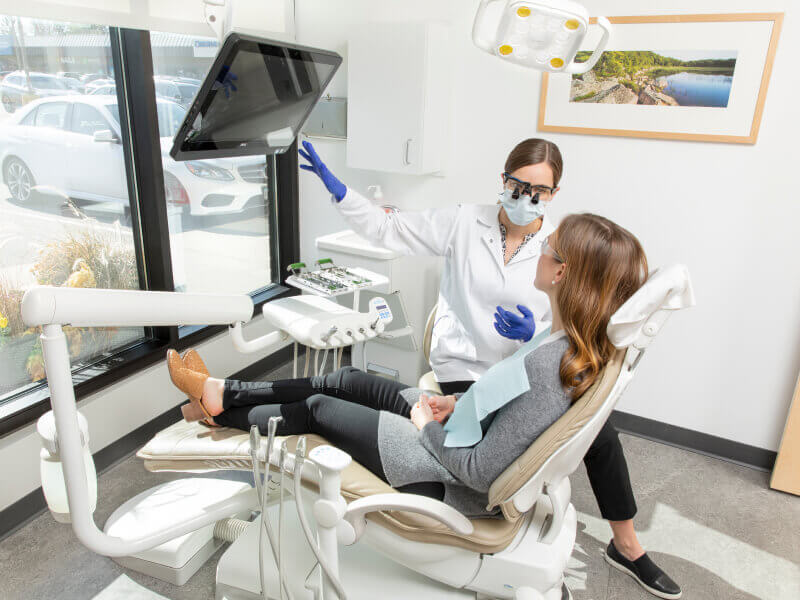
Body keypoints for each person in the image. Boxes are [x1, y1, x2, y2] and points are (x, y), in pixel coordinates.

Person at [294, 138, 681, 599]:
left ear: (555, 193)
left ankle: (627, 544)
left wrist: (531, 332)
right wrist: (342, 193)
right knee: (484, 431)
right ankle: (480, 495)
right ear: (504, 180)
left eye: (540, 190)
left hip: (528, 362)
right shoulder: (462, 221)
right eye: (519, 185)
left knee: (600, 433)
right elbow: (388, 230)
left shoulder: (562, 246)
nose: (527, 198)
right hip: (463, 361)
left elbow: (568, 318)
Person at [170, 214, 643, 523]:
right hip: (457, 427)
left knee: (318, 408)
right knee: (348, 379)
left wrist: (423, 425)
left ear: (560, 273)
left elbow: (480, 475)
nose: (538, 248)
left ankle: (216, 410)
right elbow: (510, 410)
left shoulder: (550, 366)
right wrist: (457, 402)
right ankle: (222, 391)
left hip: (443, 473)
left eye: (548, 247)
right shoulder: (560, 340)